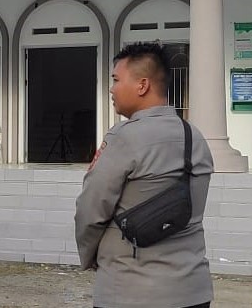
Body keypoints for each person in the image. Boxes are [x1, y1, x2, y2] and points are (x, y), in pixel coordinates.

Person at [74, 42, 214, 308]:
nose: (111, 89)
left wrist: (90, 256)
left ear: (142, 85)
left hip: (131, 289)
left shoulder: (124, 137)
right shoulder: (193, 136)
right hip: (192, 289)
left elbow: (90, 210)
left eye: (116, 80)